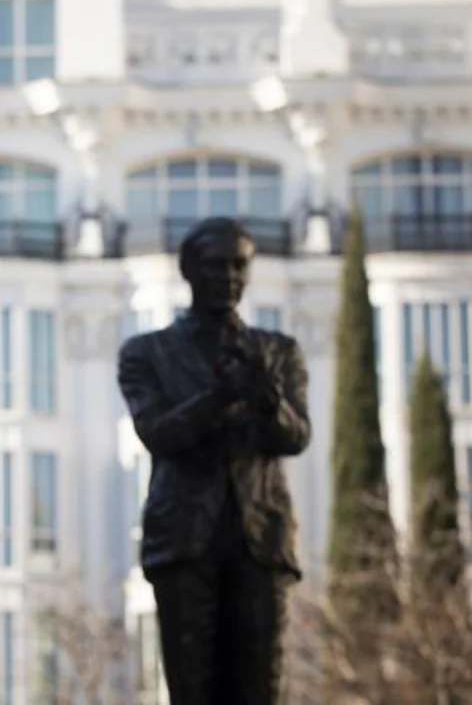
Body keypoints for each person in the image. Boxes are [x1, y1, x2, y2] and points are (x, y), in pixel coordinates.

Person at [116, 218, 311, 705]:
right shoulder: (148, 352)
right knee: (192, 690)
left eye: (238, 265)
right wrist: (219, 396)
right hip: (183, 540)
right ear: (188, 270)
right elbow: (157, 433)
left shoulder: (278, 352)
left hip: (260, 541)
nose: (228, 277)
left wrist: (267, 399)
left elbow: (296, 437)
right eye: (215, 265)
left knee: (259, 689)